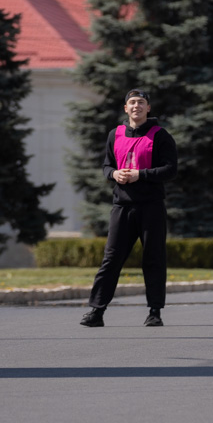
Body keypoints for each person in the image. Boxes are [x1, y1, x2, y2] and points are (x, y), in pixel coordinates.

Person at [80, 89, 178, 328]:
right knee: (111, 259)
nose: (136, 106)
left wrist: (140, 175)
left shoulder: (160, 135)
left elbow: (170, 169)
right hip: (122, 206)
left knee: (153, 258)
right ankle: (96, 311)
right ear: (126, 108)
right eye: (132, 102)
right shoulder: (115, 134)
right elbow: (106, 166)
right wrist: (114, 174)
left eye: (141, 102)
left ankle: (154, 312)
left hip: (151, 206)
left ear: (148, 108)